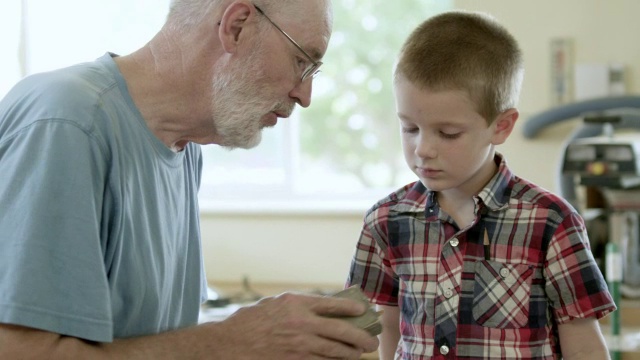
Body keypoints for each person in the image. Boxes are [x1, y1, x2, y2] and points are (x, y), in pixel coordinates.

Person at [0, 0, 379, 358]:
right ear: (236, 26)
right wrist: (231, 342)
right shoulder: (67, 123)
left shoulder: (185, 148)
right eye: (302, 61)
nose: (305, 94)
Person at [346, 10, 616, 360]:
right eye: (409, 128)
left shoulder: (551, 223)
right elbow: (379, 335)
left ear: (501, 126)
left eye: (448, 133)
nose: (422, 149)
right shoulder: (383, 222)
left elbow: (585, 349)